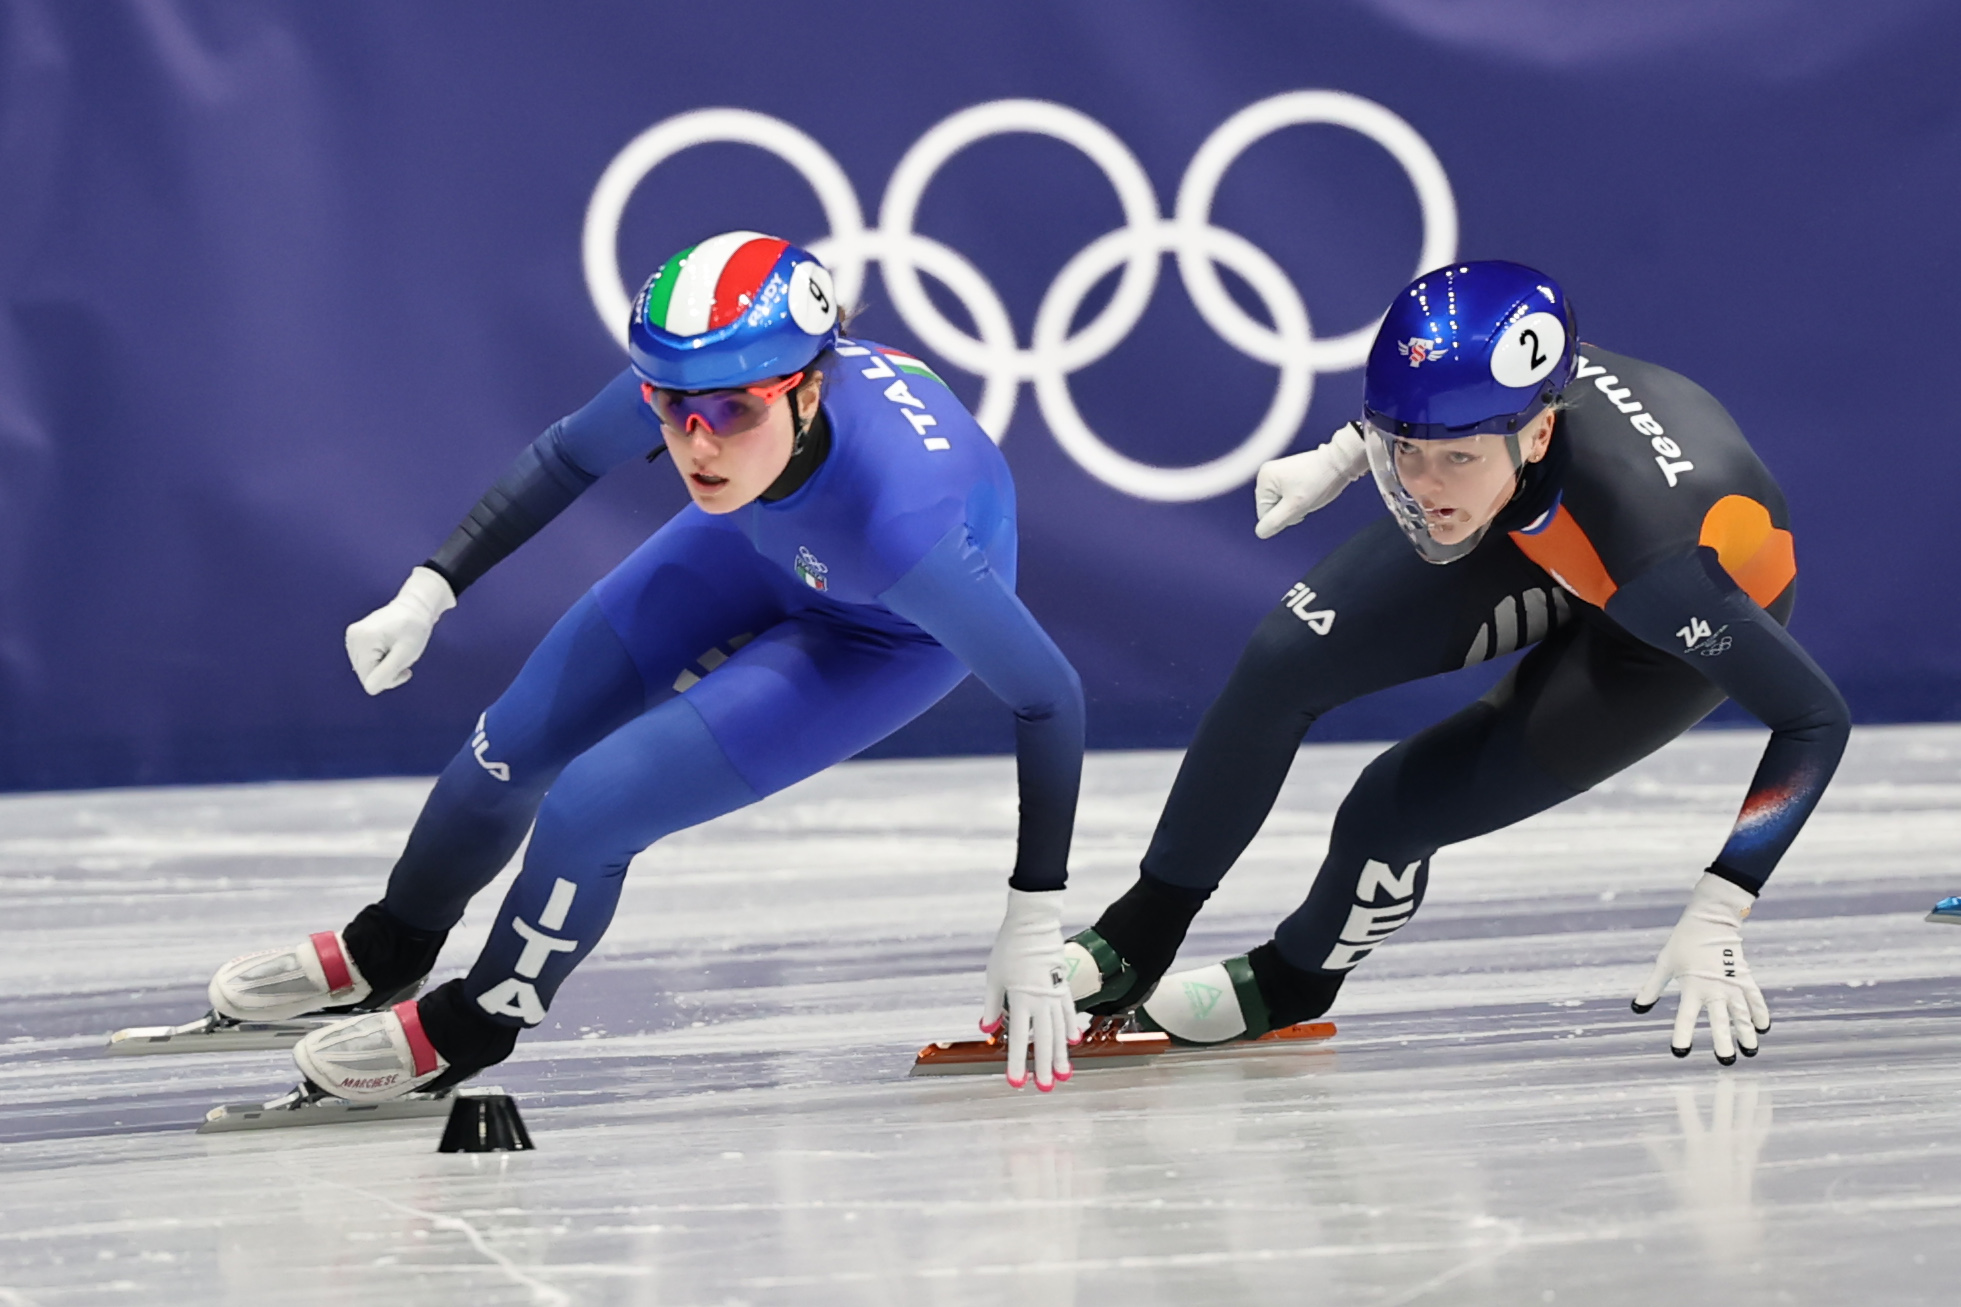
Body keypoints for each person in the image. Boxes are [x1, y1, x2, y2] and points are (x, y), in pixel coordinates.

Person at [206, 233, 1084, 1095]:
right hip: (749, 535)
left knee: (591, 808)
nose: (697, 444)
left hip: (879, 633)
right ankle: (388, 946)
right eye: (672, 409)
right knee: (506, 748)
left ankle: (476, 1022)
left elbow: (1049, 696)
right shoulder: (710, 379)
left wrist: (1033, 914)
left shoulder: (903, 527)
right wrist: (430, 588)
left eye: (732, 412)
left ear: (807, 393)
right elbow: (563, 455)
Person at [1062, 260, 1849, 1065]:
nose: (1424, 485)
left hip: (1659, 623)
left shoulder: (1659, 567)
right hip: (1532, 517)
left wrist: (1723, 903)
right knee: (1282, 659)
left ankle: (1291, 979)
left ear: (1539, 430)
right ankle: (1139, 931)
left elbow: (1814, 720)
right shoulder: (1494, 394)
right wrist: (1342, 455)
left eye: (1455, 459)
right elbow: (1430, 413)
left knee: (1388, 812)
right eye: (1406, 448)